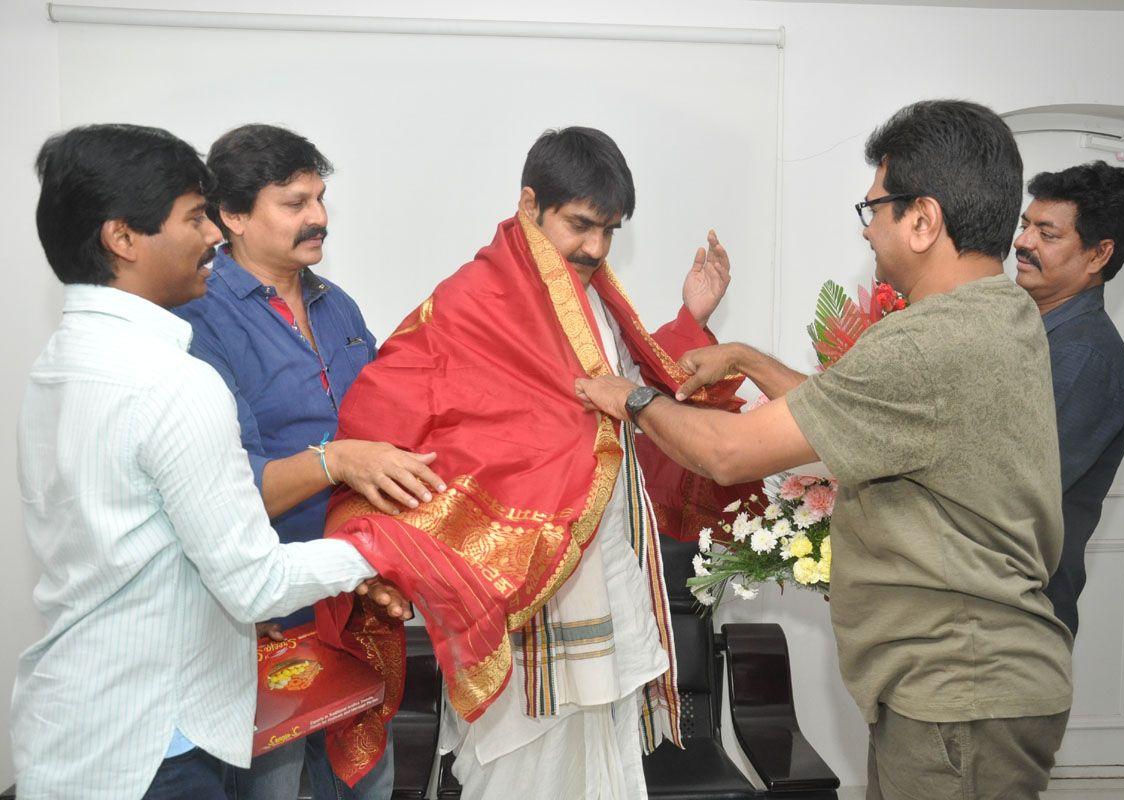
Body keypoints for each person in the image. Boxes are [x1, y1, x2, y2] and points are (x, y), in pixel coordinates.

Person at [575, 101, 1075, 800]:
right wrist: (745, 356)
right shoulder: (999, 312)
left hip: (958, 692)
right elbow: (846, 411)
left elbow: (729, 454)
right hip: (973, 684)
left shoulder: (928, 345)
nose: (868, 230)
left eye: (873, 209)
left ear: (923, 219)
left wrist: (627, 398)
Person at [313, 126, 743, 799]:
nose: (596, 247)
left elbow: (623, 395)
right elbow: (385, 421)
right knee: (522, 778)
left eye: (611, 230)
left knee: (601, 767)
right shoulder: (470, 302)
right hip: (520, 600)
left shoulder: (593, 295)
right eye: (581, 225)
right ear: (528, 203)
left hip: (603, 574)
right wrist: (378, 533)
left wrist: (689, 319)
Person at [12, 123, 404, 800]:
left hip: (81, 725)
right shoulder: (173, 379)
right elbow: (253, 584)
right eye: (196, 218)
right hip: (158, 742)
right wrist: (392, 548)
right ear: (123, 238)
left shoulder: (61, 362)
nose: (212, 239)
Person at [174, 124, 433, 799]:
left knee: (369, 786)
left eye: (319, 199)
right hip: (260, 619)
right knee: (272, 789)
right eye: (294, 203)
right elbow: (232, 488)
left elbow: (386, 432)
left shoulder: (336, 304)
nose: (318, 217)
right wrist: (337, 461)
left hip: (358, 602)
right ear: (231, 216)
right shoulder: (200, 318)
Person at [1013, 160, 1124, 637]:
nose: (1022, 242)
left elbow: (1015, 490)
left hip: (1019, 619)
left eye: (1047, 233)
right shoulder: (1031, 327)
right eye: (1026, 225)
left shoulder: (1085, 355)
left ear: (1097, 255)